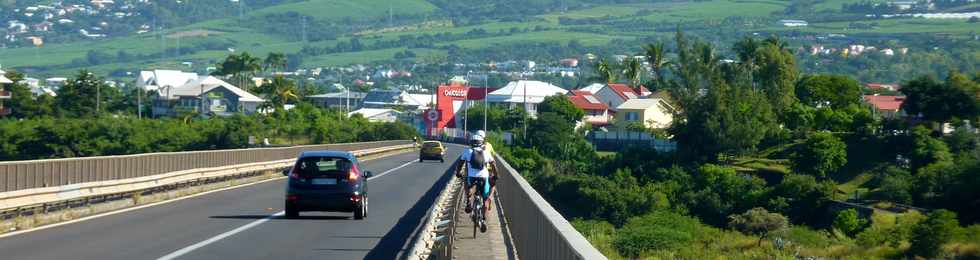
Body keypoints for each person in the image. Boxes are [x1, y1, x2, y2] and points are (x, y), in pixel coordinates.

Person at [456, 133, 495, 232]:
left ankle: (468, 202)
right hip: (484, 177)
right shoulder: (486, 152)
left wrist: (458, 173)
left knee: (467, 185)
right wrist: (496, 175)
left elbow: (460, 164)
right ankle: (484, 219)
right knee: (486, 198)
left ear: (471, 143)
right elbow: (493, 164)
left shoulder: (467, 151)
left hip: (471, 177)